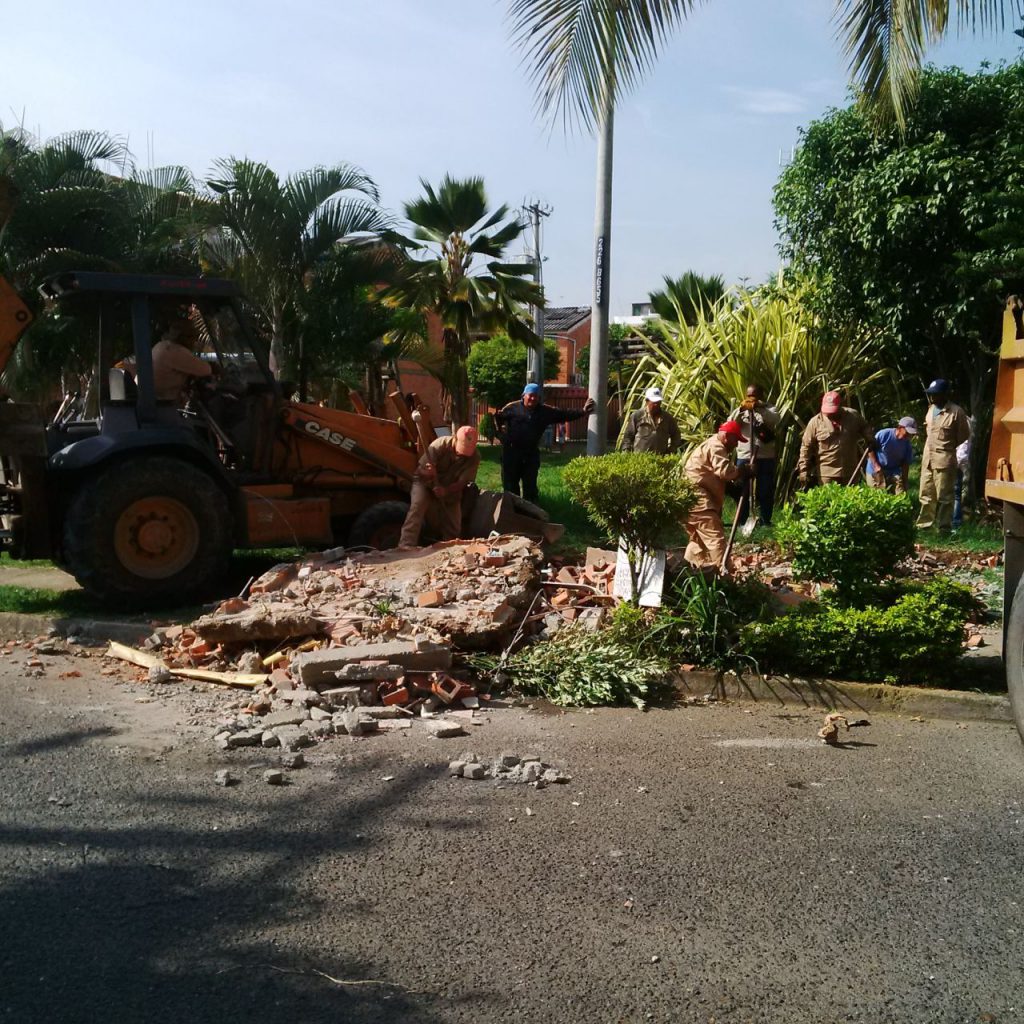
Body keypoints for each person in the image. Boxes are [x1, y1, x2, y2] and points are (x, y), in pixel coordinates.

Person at [495, 383, 595, 503]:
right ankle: (510, 515)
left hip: (530, 455)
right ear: (523, 395)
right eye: (531, 395)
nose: (533, 398)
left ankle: (530, 516)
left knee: (530, 488)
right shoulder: (511, 408)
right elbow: (497, 421)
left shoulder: (544, 411)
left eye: (536, 396)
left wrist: (583, 411)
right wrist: (501, 436)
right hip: (511, 454)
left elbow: (563, 414)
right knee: (510, 487)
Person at [398, 426, 481, 548]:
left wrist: (445, 491)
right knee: (417, 506)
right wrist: (428, 473)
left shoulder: (474, 457)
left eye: (468, 451)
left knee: (454, 525)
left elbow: (462, 483)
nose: (463, 454)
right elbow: (420, 471)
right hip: (425, 483)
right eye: (461, 450)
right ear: (455, 439)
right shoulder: (439, 445)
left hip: (450, 487)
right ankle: (406, 545)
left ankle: (450, 550)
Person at [683, 420, 748, 572]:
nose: (736, 445)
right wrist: (741, 471)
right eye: (735, 439)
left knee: (698, 541)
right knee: (715, 539)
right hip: (699, 500)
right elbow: (724, 472)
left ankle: (687, 572)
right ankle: (723, 576)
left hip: (692, 498)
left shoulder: (711, 444)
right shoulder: (717, 446)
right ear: (726, 436)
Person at [917, 379, 971, 533]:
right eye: (930, 394)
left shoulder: (956, 412)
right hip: (928, 459)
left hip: (944, 460)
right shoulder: (930, 409)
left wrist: (946, 447)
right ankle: (924, 527)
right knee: (925, 494)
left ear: (944, 395)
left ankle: (943, 529)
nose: (932, 397)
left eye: (935, 394)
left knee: (945, 497)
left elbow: (963, 435)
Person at [728, 385, 782, 527]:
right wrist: (741, 410)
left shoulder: (770, 409)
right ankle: (742, 520)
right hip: (745, 455)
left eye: (754, 396)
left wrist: (759, 409)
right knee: (742, 490)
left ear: (760, 396)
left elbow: (776, 420)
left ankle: (765, 520)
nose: (751, 399)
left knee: (765, 490)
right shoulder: (741, 409)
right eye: (749, 395)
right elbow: (730, 423)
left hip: (765, 456)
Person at [798, 390, 876, 487]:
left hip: (850, 470)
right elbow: (806, 447)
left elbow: (865, 427)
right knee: (829, 501)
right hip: (827, 474)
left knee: (851, 500)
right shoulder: (815, 422)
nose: (830, 414)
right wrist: (803, 470)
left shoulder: (853, 416)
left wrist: (870, 437)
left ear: (840, 406)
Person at [150, 311, 214, 402]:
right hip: (164, 404)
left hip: (159, 398)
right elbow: (206, 370)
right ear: (183, 336)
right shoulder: (174, 351)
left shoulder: (162, 345)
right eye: (192, 337)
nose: (193, 341)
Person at [620, 386, 681, 454]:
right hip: (640, 458)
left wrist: (671, 450)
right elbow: (628, 436)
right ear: (647, 401)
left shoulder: (667, 418)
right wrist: (626, 452)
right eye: (654, 402)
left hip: (661, 458)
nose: (656, 404)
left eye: (658, 402)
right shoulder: (637, 416)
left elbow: (676, 435)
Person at [866, 416, 918, 493]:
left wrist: (905, 482)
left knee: (900, 495)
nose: (909, 436)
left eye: (911, 434)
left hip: (893, 471)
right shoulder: (883, 434)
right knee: (878, 495)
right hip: (875, 469)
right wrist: (876, 466)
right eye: (907, 432)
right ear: (900, 427)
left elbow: (905, 464)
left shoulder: (907, 444)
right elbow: (870, 449)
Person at [952, 433, 972, 529]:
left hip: (957, 465)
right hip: (960, 464)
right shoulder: (966, 422)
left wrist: (956, 466)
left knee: (955, 495)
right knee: (956, 495)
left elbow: (961, 454)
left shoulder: (962, 422)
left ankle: (955, 522)